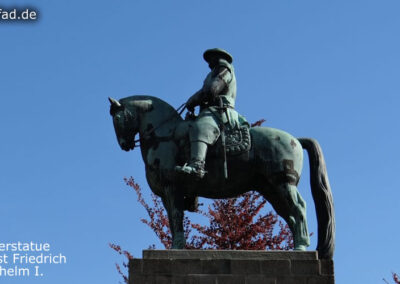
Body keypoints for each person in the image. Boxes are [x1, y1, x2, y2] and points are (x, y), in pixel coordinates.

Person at [175, 48, 240, 178]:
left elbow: (212, 90)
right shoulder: (212, 74)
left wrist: (194, 100)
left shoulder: (224, 70)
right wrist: (191, 101)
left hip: (220, 110)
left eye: (211, 58)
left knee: (200, 127)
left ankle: (197, 165)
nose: (209, 62)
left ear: (219, 58)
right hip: (209, 110)